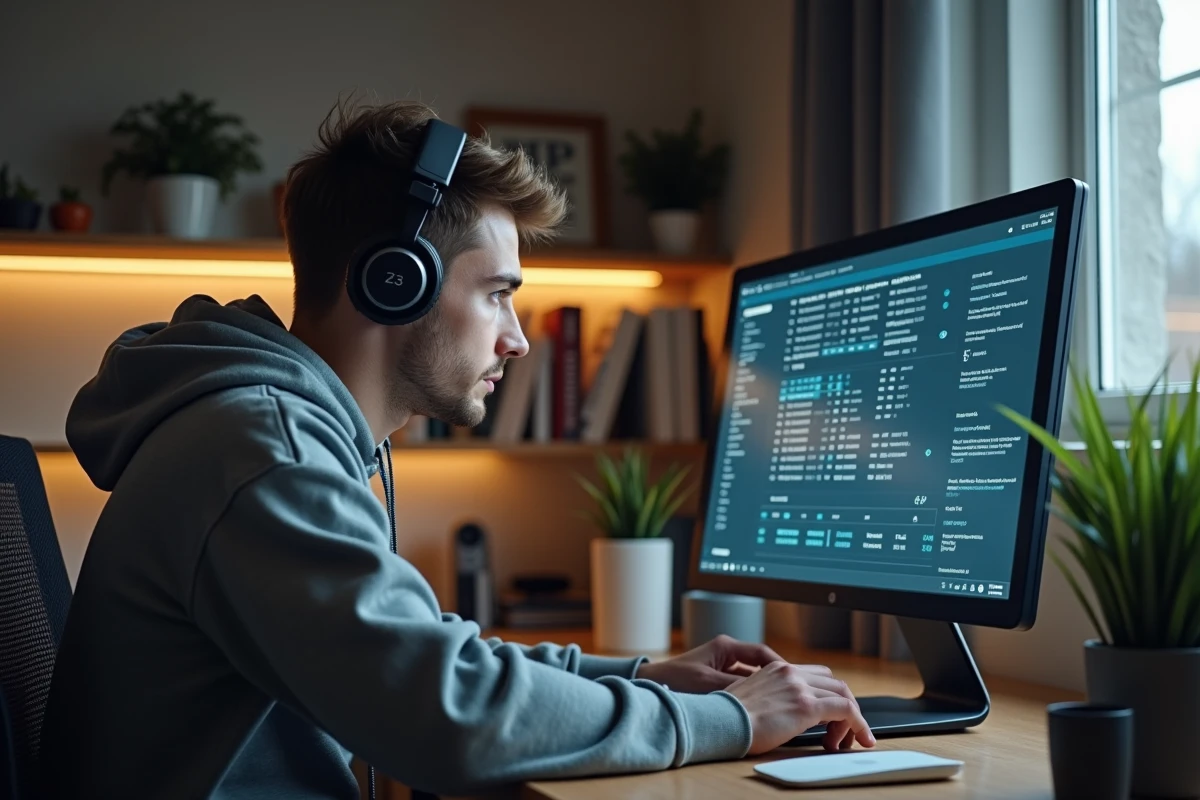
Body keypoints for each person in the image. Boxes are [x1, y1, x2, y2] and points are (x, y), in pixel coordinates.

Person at [39, 97, 874, 799]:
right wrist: (734, 719)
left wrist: (649, 677)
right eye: (499, 295)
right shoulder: (265, 451)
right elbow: (453, 718)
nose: (517, 340)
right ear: (393, 281)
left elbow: (432, 659)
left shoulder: (276, 433)